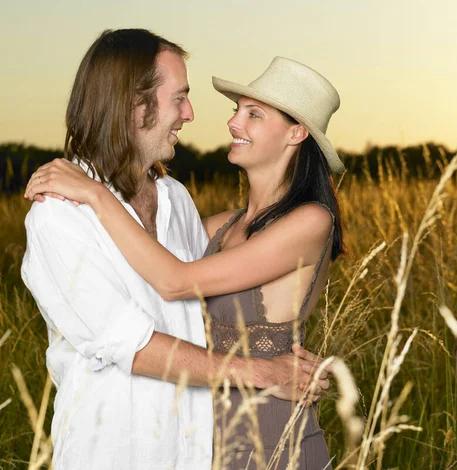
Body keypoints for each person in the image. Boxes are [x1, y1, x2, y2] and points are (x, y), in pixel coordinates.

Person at [21, 30, 329, 470]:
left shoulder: (176, 200)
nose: (191, 113)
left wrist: (283, 354)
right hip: (117, 454)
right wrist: (266, 371)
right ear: (134, 103)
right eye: (179, 97)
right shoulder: (60, 215)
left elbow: (193, 291)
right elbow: (133, 345)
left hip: (199, 451)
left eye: (254, 113)